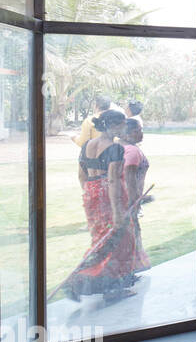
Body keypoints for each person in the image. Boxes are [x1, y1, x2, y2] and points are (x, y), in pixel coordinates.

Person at [61, 110, 146, 302]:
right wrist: (117, 213)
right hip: (109, 195)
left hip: (91, 192)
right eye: (122, 124)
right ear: (113, 126)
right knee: (120, 241)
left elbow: (81, 174)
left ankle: (90, 281)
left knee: (101, 239)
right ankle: (102, 286)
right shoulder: (114, 148)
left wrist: (89, 193)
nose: (125, 128)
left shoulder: (87, 146)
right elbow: (114, 180)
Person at [117, 118, 153, 275]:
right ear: (129, 133)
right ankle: (132, 268)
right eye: (138, 130)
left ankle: (131, 268)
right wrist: (135, 200)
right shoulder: (131, 151)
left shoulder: (120, 147)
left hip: (121, 199)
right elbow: (129, 178)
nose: (141, 132)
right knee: (131, 234)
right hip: (128, 200)